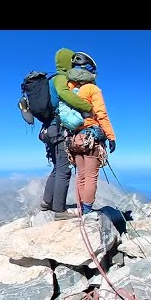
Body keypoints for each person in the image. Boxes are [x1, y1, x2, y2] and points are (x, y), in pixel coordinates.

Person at [40, 48, 94, 219]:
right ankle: (59, 211)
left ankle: (46, 202)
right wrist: (86, 107)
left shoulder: (49, 80)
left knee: (57, 167)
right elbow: (65, 95)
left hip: (47, 129)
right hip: (58, 129)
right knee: (64, 169)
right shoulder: (61, 78)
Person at [64, 51, 117, 216]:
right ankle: (87, 210)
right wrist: (111, 136)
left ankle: (80, 208)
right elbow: (101, 114)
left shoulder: (69, 90)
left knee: (80, 175)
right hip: (90, 137)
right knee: (91, 176)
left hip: (74, 139)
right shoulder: (92, 89)